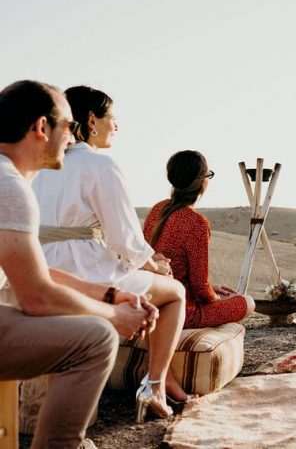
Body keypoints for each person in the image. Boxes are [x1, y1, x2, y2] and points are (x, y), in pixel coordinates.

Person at [0, 80, 156, 448]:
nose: (73, 138)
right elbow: (38, 296)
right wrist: (115, 317)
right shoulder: (10, 187)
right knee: (96, 337)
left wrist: (111, 294)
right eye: (69, 127)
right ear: (41, 128)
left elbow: (34, 271)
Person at [32, 85, 191, 421]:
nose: (116, 126)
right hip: (84, 270)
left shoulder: (40, 164)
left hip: (41, 269)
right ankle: (155, 385)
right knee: (174, 292)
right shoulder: (99, 165)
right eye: (112, 118)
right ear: (92, 120)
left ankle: (159, 380)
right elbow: (124, 239)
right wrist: (156, 265)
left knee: (149, 288)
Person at [144, 150, 255, 328]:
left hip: (151, 301)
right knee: (247, 302)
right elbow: (200, 289)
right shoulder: (196, 223)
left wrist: (212, 287)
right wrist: (216, 297)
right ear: (202, 181)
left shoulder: (158, 208)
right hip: (181, 311)